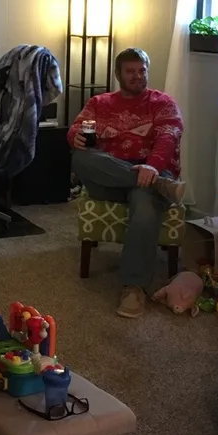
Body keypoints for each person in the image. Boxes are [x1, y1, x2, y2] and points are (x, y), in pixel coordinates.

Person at [67, 47, 185, 318]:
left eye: (142, 70)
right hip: (112, 178)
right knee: (81, 159)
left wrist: (152, 166)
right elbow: (77, 128)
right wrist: (75, 137)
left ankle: (134, 287)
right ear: (118, 74)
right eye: (130, 71)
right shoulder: (100, 103)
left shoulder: (162, 103)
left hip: (152, 172)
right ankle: (158, 186)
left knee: (144, 202)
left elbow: (169, 136)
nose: (137, 76)